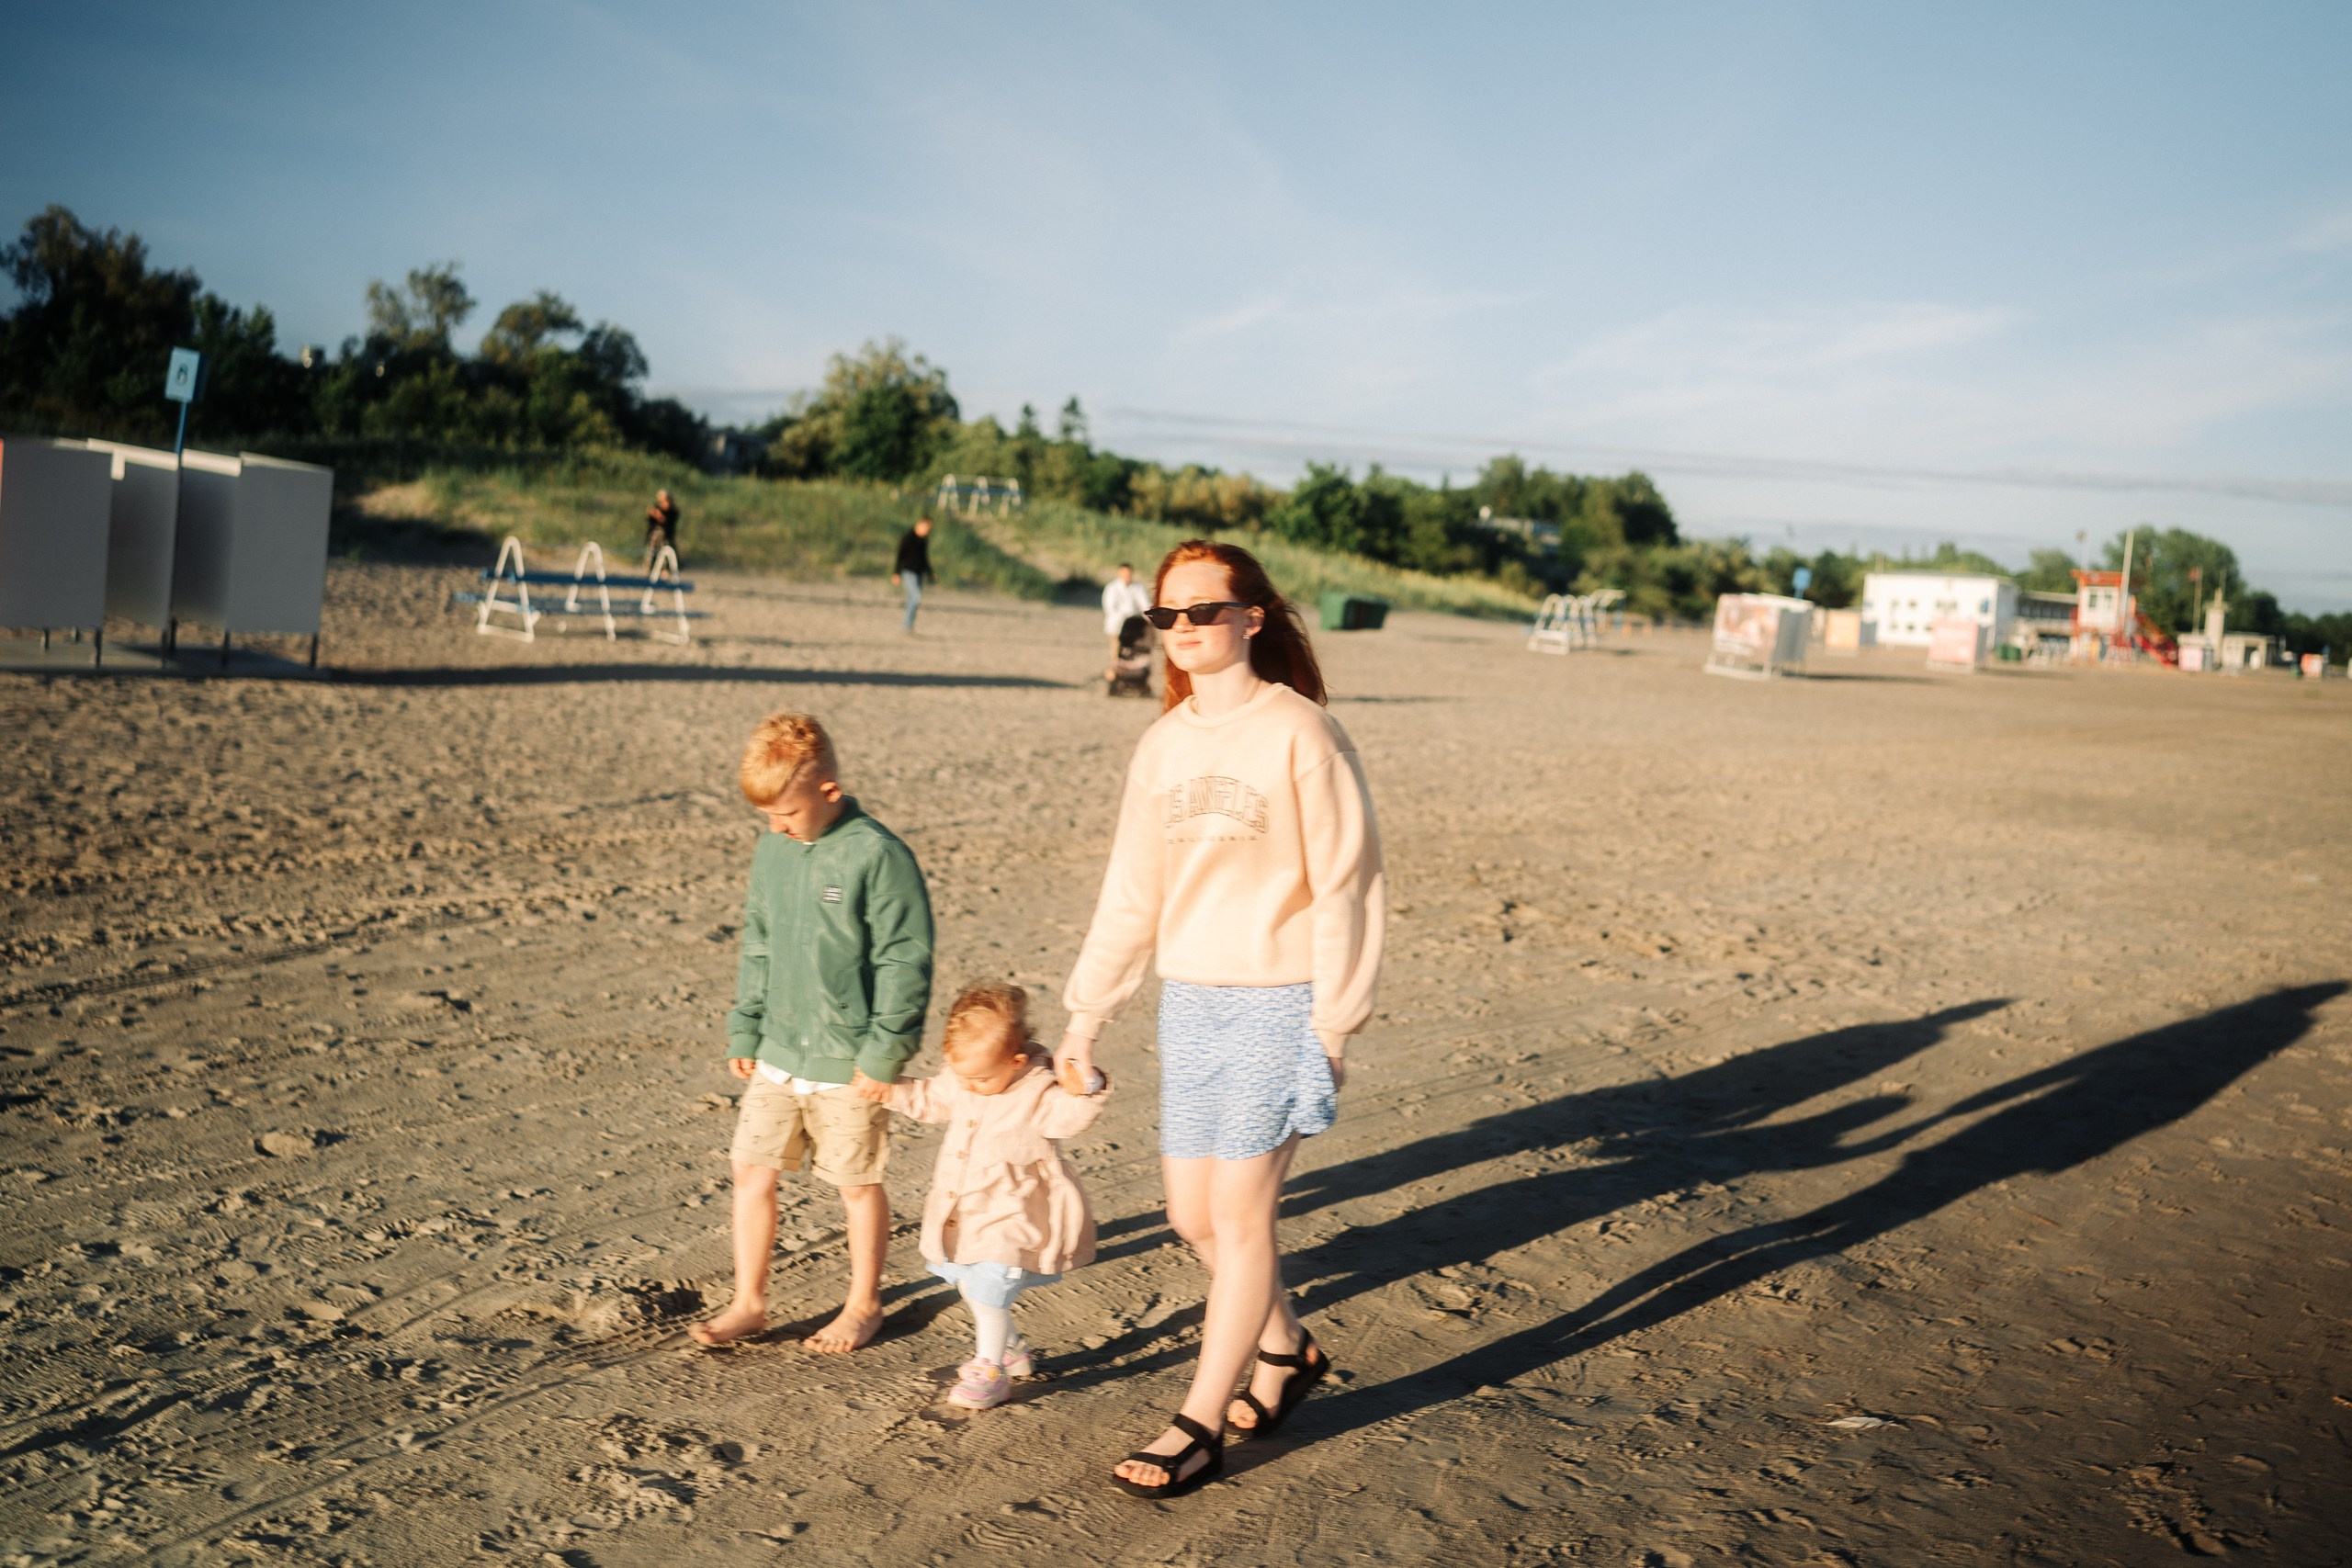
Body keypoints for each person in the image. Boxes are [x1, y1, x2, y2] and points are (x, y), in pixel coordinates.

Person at [1056, 539, 1385, 1499]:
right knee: (1190, 1215)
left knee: (1241, 1217)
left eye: (1205, 611)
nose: (1185, 630)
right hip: (1190, 1001)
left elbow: (1348, 889)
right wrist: (1085, 1020)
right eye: (1168, 616)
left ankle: (1199, 1420)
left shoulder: (1302, 734)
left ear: (1253, 617)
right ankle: (1285, 1352)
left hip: (1283, 1004)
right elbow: (1131, 895)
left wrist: (1331, 1031)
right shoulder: (1161, 745)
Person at [692, 711, 933, 1355]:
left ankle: (864, 1303)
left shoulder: (878, 854)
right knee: (750, 1166)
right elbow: (760, 944)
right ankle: (749, 1302)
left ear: (829, 793)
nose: (776, 828)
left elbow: (905, 961)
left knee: (855, 1182)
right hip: (778, 1048)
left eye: (788, 815)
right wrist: (746, 1026)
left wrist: (884, 1051)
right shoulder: (773, 848)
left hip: (849, 1059)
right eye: (768, 817)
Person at [858, 983, 1110, 1410]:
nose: (970, 1086)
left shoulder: (1038, 1090)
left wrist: (1086, 1085)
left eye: (980, 1078)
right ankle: (1012, 1348)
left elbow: (1069, 1117)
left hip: (1016, 1216)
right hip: (965, 1212)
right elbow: (931, 1098)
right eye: (962, 1076)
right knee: (971, 1285)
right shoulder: (963, 1079)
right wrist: (892, 1092)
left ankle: (989, 1368)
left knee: (991, 1288)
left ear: (1015, 1062)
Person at [1101, 562, 1153, 677]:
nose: (1127, 576)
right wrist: (1125, 616)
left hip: (1133, 627)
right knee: (1116, 649)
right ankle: (1115, 672)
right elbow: (1109, 608)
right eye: (1124, 574)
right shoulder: (1112, 588)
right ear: (1119, 574)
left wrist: (1149, 617)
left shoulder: (1138, 587)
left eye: (1129, 574)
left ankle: (1131, 673)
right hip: (1117, 626)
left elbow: (1145, 604)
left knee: (1135, 650)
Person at [893, 516, 934, 633]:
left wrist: (930, 573)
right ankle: (906, 625)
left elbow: (925, 558)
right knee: (916, 596)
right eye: (927, 527)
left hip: (919, 573)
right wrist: (896, 572)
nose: (928, 530)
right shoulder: (908, 538)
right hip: (908, 572)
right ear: (920, 524)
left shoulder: (923, 540)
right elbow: (900, 555)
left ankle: (909, 626)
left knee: (914, 599)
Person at [644, 489, 681, 570]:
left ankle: (665, 571)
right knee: (650, 556)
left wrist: (658, 515)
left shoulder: (672, 511)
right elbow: (650, 522)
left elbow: (666, 521)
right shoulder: (657, 508)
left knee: (666, 558)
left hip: (666, 538)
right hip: (654, 538)